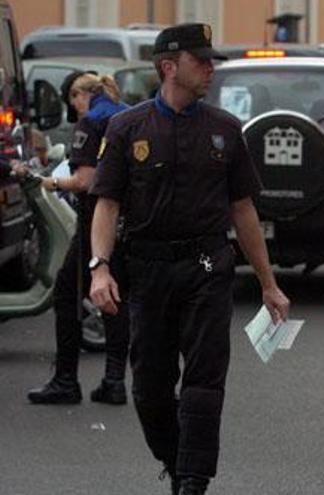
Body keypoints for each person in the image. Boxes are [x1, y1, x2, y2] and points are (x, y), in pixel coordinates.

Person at [88, 23, 290, 495]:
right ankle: (176, 461)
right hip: (149, 270)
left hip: (207, 267)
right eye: (202, 61)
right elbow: (107, 203)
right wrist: (99, 267)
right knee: (151, 390)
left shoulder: (224, 129)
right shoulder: (126, 128)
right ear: (168, 66)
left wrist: (268, 282)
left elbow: (243, 209)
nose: (210, 68)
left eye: (210, 60)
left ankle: (193, 482)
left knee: (203, 382)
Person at [25, 71, 131, 405]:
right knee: (116, 297)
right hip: (128, 221)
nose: (74, 107)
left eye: (73, 100)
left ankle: (66, 380)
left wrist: (48, 183)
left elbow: (85, 180)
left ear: (79, 95)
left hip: (95, 221)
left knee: (67, 295)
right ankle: (114, 380)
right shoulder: (127, 115)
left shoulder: (92, 121)